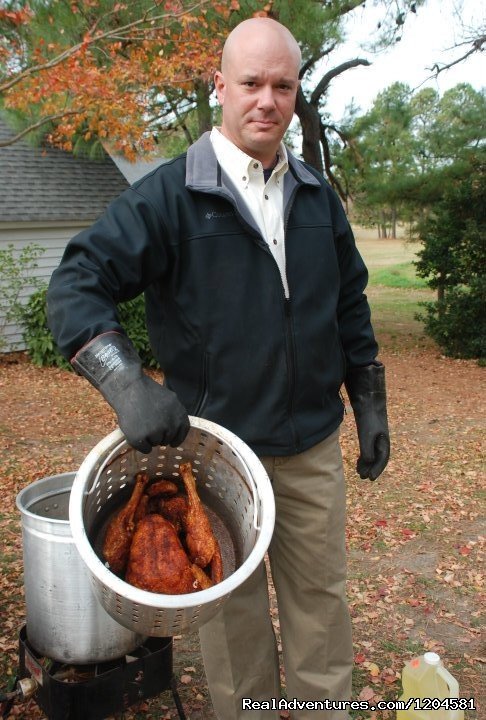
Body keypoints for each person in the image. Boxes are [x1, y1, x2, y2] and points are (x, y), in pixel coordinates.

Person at [47, 17, 390, 720]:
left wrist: (371, 399)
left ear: (296, 93)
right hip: (220, 460)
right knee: (233, 628)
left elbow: (348, 302)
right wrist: (124, 380)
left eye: (283, 85)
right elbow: (76, 283)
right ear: (219, 87)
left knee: (321, 607)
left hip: (311, 452)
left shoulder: (317, 197)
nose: (267, 100)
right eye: (251, 83)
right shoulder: (170, 197)